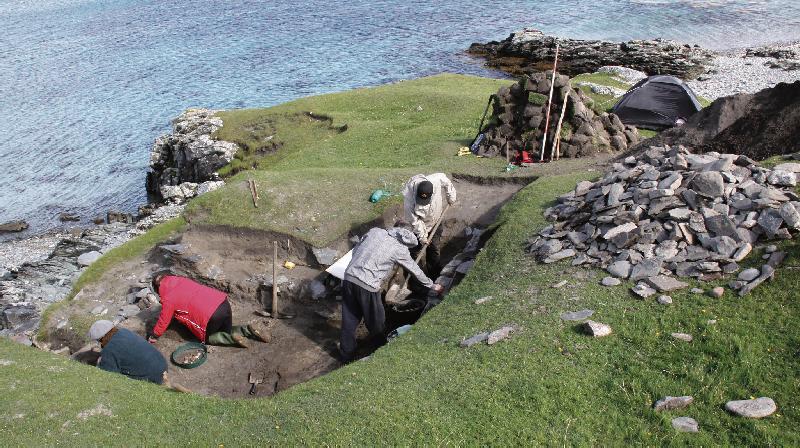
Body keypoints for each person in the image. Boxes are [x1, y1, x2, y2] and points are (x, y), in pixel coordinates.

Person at [340, 226, 443, 362]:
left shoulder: (375, 231)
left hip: (348, 277)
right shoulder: (399, 249)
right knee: (377, 320)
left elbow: (357, 248)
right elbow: (415, 270)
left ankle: (346, 354)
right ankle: (380, 349)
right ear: (405, 243)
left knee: (349, 318)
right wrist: (432, 285)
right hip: (367, 285)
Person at [148, 273, 269, 348]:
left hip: (211, 317)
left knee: (208, 339)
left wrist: (154, 335)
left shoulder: (168, 298)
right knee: (224, 330)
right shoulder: (181, 280)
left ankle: (232, 340)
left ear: (158, 288)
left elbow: (163, 321)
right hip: (223, 304)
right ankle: (247, 330)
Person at [402, 173, 457, 278]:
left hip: (436, 221)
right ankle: (416, 280)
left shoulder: (435, 180)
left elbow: (446, 182)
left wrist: (451, 195)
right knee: (415, 251)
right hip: (420, 226)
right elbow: (415, 222)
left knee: (434, 248)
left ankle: (434, 275)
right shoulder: (409, 199)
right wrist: (423, 237)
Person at [88, 320, 167, 384]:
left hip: (153, 376)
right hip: (162, 364)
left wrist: (100, 364)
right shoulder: (124, 331)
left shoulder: (109, 349)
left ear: (100, 338)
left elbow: (109, 375)